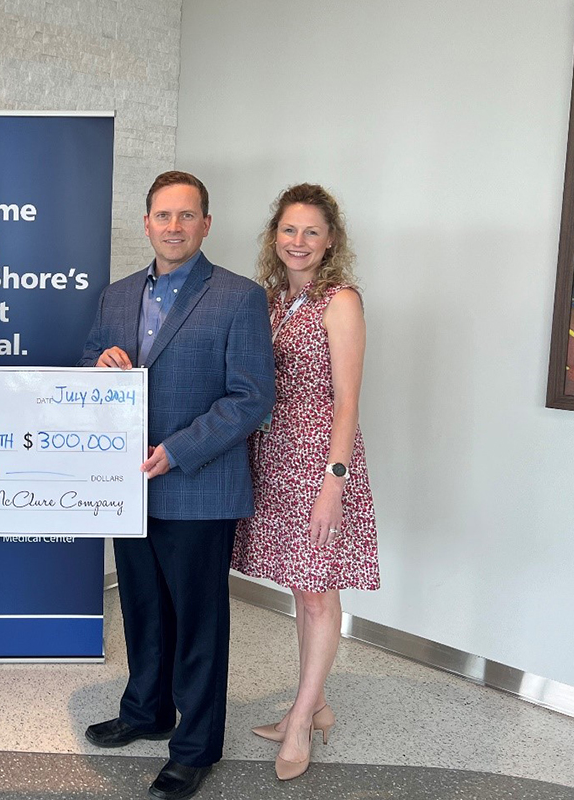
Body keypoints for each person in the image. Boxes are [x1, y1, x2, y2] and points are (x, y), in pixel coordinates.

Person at [80, 171, 275, 800]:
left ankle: (196, 745)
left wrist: (178, 450)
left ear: (206, 225)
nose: (173, 226)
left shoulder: (238, 297)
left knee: (198, 620)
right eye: (162, 216)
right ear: (146, 224)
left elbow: (251, 399)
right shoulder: (115, 297)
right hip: (128, 486)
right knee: (141, 608)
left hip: (196, 484)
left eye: (186, 216)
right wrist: (101, 365)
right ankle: (146, 710)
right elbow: (86, 369)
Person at [232, 183, 379, 781]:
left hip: (319, 463)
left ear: (330, 241)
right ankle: (315, 702)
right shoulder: (267, 302)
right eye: (289, 230)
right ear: (275, 238)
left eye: (311, 232)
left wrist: (334, 482)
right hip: (273, 459)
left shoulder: (339, 301)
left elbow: (348, 404)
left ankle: (299, 721)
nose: (298, 242)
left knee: (318, 591)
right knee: (301, 589)